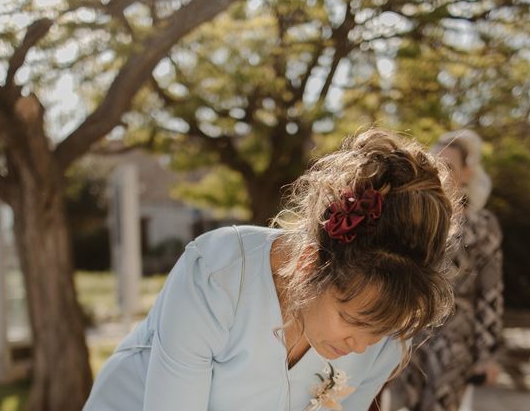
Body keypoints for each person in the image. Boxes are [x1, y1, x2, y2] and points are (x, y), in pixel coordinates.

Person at [83, 128, 459, 411]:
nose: (361, 346)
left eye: (380, 331)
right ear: (310, 264)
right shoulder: (218, 276)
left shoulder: (386, 341)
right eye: (352, 319)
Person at [383, 129, 504, 411]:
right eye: (436, 164)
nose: (442, 172)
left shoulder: (483, 225)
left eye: (449, 166)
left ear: (468, 172)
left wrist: (488, 355)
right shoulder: (417, 217)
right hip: (409, 333)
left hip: (455, 338)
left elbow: (491, 292)